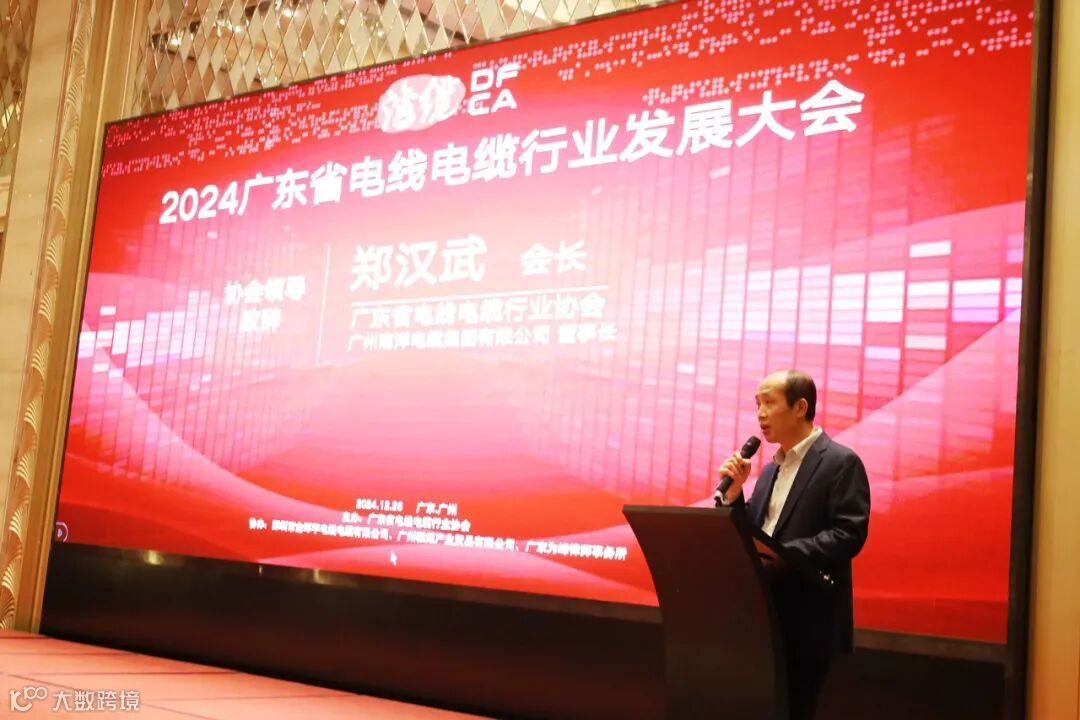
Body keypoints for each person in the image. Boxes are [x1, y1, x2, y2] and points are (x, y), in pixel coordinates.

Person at [717, 369, 870, 720]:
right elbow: (754, 533)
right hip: (762, 617)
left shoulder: (840, 462)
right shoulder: (769, 470)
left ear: (800, 407)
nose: (760, 414)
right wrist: (734, 497)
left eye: (769, 403)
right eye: (757, 404)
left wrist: (784, 556)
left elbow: (849, 533)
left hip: (807, 621)